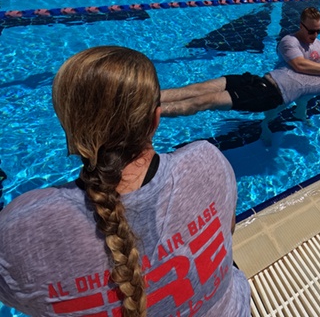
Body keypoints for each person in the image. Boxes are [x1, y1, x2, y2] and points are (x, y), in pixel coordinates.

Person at [0, 46, 251, 316]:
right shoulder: (206, 163)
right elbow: (229, 229)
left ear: (69, 125)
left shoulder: (20, 232)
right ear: (156, 119)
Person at [161, 47, 320, 118]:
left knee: (205, 100)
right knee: (196, 88)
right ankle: (148, 96)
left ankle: (148, 114)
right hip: (259, 80)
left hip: (269, 95)